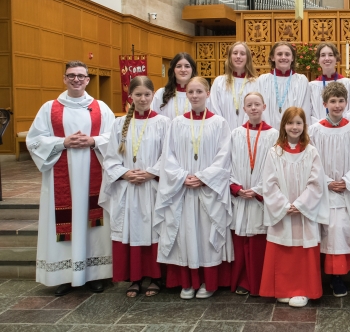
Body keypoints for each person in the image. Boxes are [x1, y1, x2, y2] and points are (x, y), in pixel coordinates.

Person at [27, 60, 115, 296]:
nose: (76, 79)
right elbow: (34, 140)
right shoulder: (50, 108)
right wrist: (62, 142)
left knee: (93, 223)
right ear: (64, 79)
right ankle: (65, 276)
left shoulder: (100, 107)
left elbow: (114, 137)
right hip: (61, 178)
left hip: (92, 174)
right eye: (71, 75)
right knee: (66, 224)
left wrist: (93, 141)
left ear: (87, 80)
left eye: (81, 76)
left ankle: (95, 275)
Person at [154, 76, 233, 299]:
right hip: (183, 189)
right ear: (186, 95)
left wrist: (203, 177)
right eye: (191, 92)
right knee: (185, 233)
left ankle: (208, 282)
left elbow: (224, 156)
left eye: (200, 91)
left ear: (208, 94)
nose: (195, 96)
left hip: (208, 189)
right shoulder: (177, 123)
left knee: (206, 235)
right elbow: (167, 156)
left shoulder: (220, 123)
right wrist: (182, 177)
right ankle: (188, 282)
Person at [99, 76, 170, 297]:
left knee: (154, 230)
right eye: (138, 95)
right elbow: (110, 158)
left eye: (147, 94)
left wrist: (151, 173)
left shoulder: (163, 123)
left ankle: (156, 277)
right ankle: (135, 278)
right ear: (130, 96)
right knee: (131, 231)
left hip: (152, 188)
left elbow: (169, 156)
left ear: (153, 95)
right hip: (128, 188)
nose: (142, 99)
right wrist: (125, 173)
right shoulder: (119, 124)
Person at [260, 107, 329, 308]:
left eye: (299, 123)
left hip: (303, 212)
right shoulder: (275, 152)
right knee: (283, 250)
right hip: (283, 211)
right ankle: (282, 289)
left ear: (304, 126)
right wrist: (283, 205)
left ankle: (303, 290)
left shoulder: (311, 151)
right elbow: (269, 182)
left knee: (302, 252)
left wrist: (300, 204)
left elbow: (317, 182)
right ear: (283, 126)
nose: (294, 127)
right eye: (290, 123)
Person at [308, 82, 350, 297]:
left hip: (346, 189)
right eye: (333, 101)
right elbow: (310, 161)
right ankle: (329, 276)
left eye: (341, 101)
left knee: (343, 230)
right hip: (324, 190)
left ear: (346, 103)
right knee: (329, 231)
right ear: (325, 104)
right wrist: (326, 181)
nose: (337, 105)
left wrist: (347, 181)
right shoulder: (314, 131)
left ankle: (339, 275)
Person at [229, 92, 279, 296]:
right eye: (249, 105)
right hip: (241, 194)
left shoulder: (274, 134)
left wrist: (258, 189)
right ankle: (243, 280)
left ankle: (260, 283)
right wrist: (236, 188)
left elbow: (276, 167)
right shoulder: (236, 134)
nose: (253, 108)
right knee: (242, 241)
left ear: (264, 106)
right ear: (244, 108)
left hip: (260, 197)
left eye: (257, 104)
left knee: (259, 241)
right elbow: (228, 163)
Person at [257, 41, 311, 130]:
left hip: (294, 132)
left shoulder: (301, 80)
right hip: (268, 133)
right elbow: (261, 111)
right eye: (279, 54)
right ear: (272, 57)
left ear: (292, 58)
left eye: (287, 54)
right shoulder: (263, 80)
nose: (283, 57)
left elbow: (305, 110)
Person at [210, 42, 260, 130]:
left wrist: (243, 131)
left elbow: (258, 110)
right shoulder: (219, 82)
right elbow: (214, 108)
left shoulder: (256, 83)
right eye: (235, 53)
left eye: (242, 54)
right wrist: (223, 130)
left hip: (248, 133)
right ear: (229, 57)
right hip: (223, 132)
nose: (238, 56)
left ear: (248, 58)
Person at [308, 42, 350, 124]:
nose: (327, 58)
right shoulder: (312, 86)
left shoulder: (349, 83)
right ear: (318, 60)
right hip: (321, 132)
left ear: (336, 58)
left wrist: (340, 125)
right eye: (323, 55)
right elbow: (309, 114)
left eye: (330, 55)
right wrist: (323, 126)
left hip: (344, 130)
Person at [152, 52, 199, 119]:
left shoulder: (200, 94)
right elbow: (153, 120)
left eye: (187, 66)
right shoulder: (161, 93)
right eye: (179, 66)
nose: (183, 70)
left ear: (192, 70)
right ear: (173, 70)